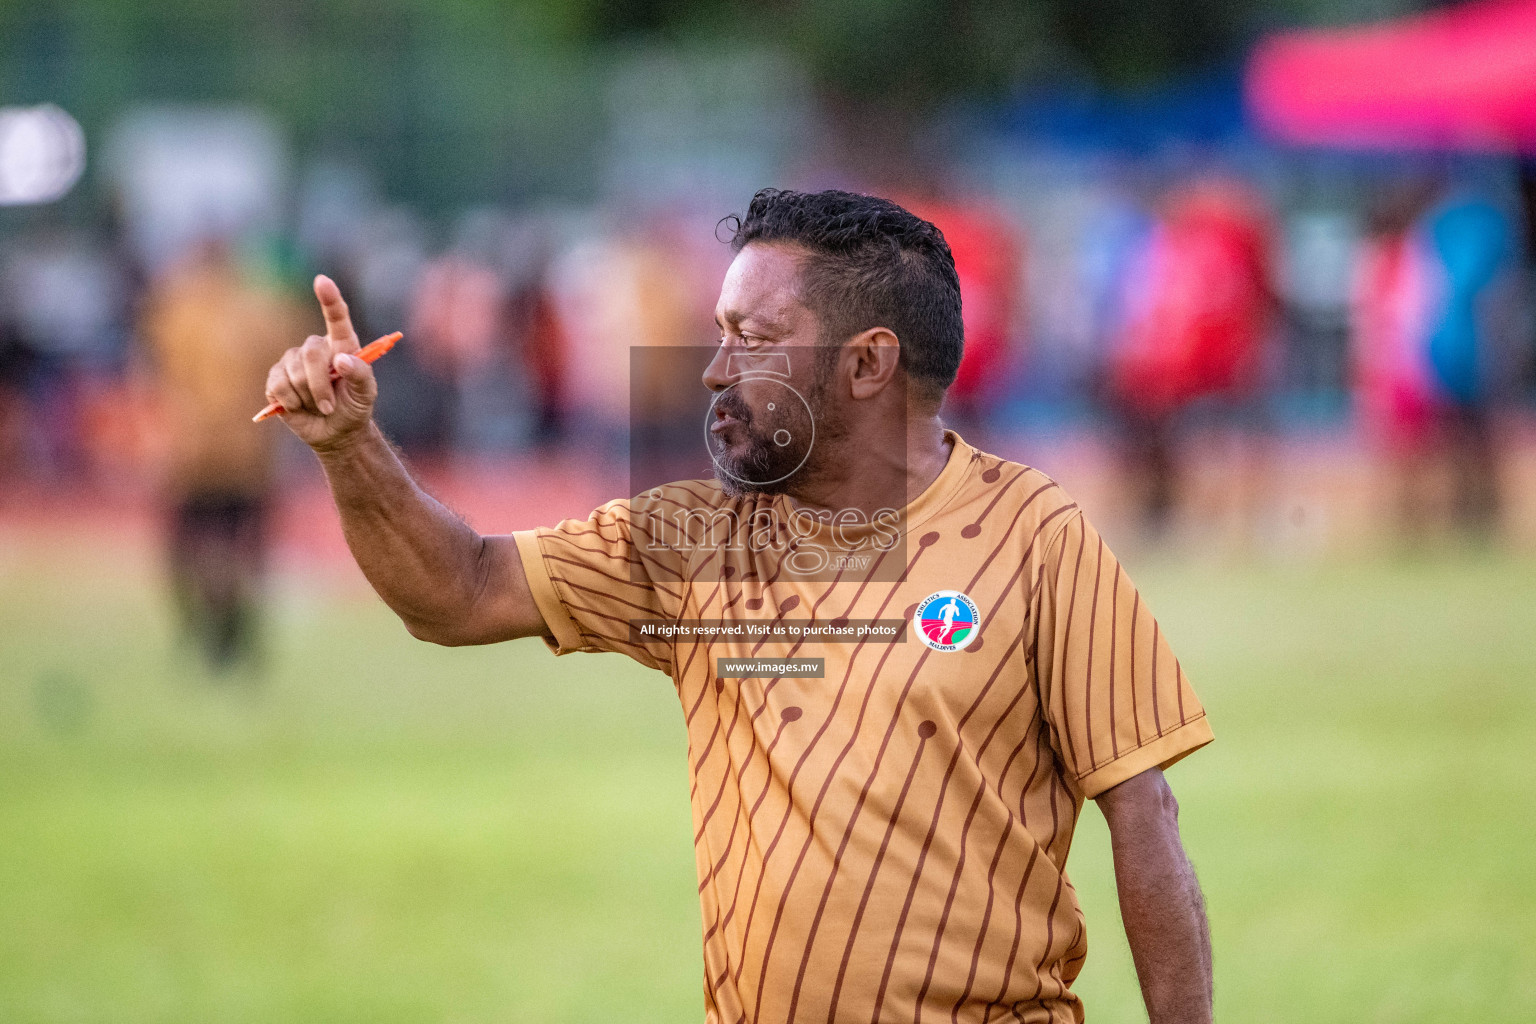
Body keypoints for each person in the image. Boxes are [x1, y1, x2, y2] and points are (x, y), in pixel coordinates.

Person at [264, 189, 1215, 1023]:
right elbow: (458, 591)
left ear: (868, 364)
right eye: (719, 331)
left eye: (753, 339)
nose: (715, 369)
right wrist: (349, 445)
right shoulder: (692, 543)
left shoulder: (1035, 536)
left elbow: (1142, 813)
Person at [143, 237, 299, 673]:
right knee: (244, 550)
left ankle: (200, 633)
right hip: (248, 452)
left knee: (188, 549)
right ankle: (239, 637)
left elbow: (154, 368)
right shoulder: (263, 307)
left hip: (190, 453)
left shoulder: (175, 306)